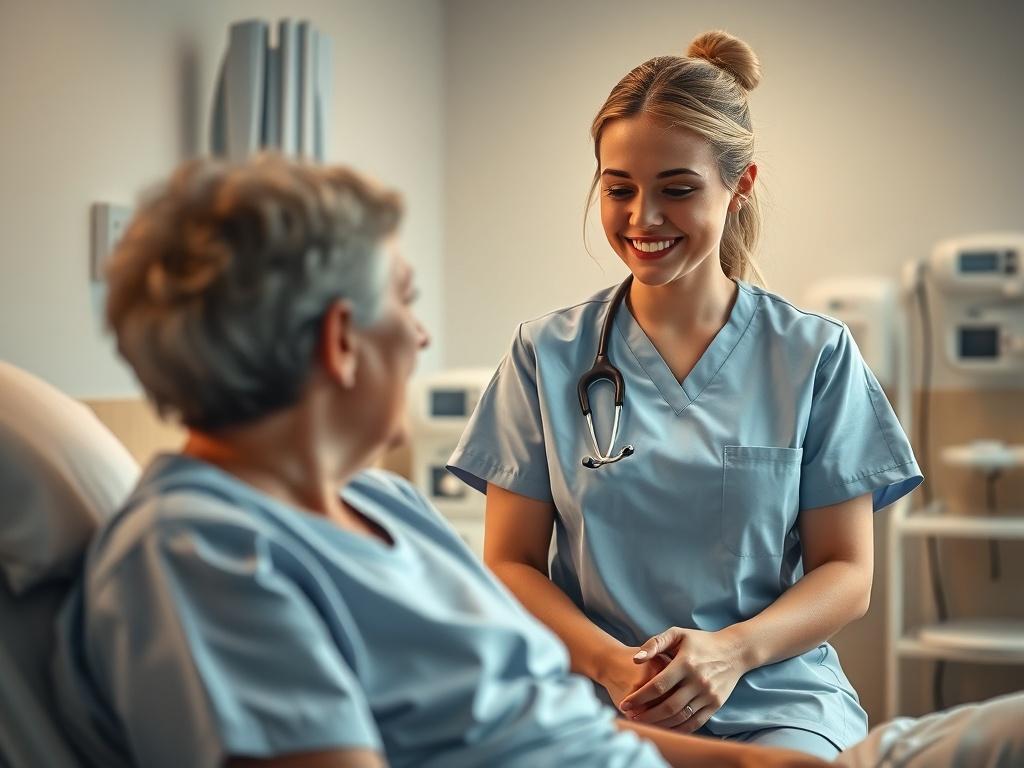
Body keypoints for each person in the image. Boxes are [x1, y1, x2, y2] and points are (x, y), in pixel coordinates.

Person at [52, 155, 825, 768]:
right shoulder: (204, 555)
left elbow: (534, 721)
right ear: (341, 340)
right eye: (407, 301)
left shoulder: (388, 505)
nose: (421, 338)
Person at [446, 30, 923, 761]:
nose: (643, 219)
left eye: (677, 189)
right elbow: (510, 562)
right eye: (618, 189)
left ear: (741, 186)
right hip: (595, 692)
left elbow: (847, 573)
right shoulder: (545, 356)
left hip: (771, 692)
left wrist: (731, 653)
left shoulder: (813, 356)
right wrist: (614, 666)